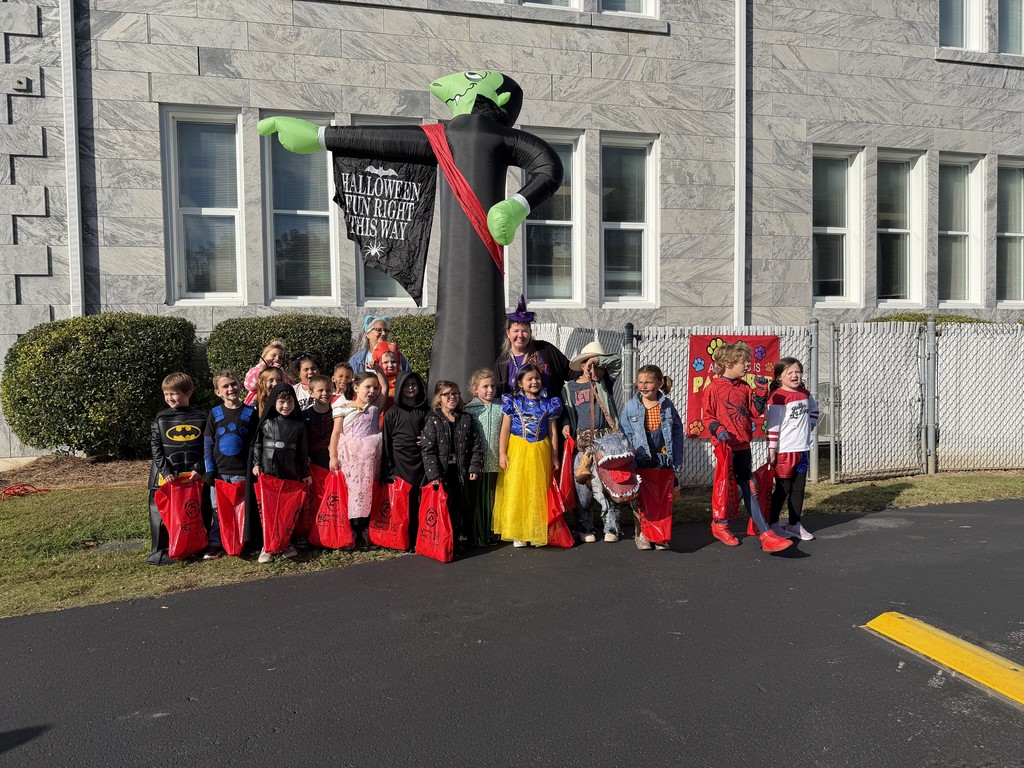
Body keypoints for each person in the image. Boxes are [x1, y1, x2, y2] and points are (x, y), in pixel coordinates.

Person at [702, 342, 792, 553]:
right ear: (727, 363)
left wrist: (761, 391)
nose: (747, 366)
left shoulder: (744, 387)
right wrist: (719, 429)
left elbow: (754, 411)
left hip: (743, 444)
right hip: (725, 447)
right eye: (743, 362)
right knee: (738, 486)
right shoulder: (713, 388)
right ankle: (756, 532)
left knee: (744, 486)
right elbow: (707, 417)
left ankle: (721, 523)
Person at [492, 364, 562, 548]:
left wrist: (555, 456)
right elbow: (505, 428)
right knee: (517, 489)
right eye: (529, 379)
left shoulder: (549, 404)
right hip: (517, 449)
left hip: (540, 450)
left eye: (537, 378)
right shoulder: (513, 401)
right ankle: (518, 531)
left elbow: (553, 432)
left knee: (537, 490)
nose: (534, 381)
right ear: (520, 382)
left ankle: (534, 529)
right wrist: (502, 453)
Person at [560, 341, 621, 543]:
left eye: (600, 365)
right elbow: (566, 411)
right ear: (583, 365)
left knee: (609, 484)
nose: (596, 369)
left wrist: (598, 360)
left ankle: (611, 527)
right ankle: (585, 527)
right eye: (591, 364)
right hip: (583, 441)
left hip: (607, 440)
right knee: (583, 485)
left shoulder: (605, 383)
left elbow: (618, 362)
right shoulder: (570, 388)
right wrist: (566, 423)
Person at [620, 364, 684, 550]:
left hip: (662, 458)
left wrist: (676, 460)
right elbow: (625, 433)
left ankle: (660, 534)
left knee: (662, 498)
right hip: (640, 458)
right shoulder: (631, 406)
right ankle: (643, 533)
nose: (644, 386)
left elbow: (677, 432)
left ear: (659, 383)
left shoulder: (667, 405)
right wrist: (628, 460)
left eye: (648, 382)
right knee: (641, 498)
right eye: (640, 382)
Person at [147, 372, 207, 566]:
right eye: (166, 394)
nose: (169, 398)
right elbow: (156, 447)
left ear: (188, 392)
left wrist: (200, 468)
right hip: (165, 476)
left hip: (193, 476)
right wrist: (165, 471)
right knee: (161, 514)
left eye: (174, 393)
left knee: (197, 510)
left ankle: (197, 545)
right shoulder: (160, 417)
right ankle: (160, 550)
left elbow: (207, 446)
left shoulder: (201, 417)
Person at [420, 381, 484, 554]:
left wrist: (474, 467)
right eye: (447, 394)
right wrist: (433, 474)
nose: (452, 397)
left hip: (461, 470)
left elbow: (476, 445)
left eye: (455, 393)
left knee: (460, 505)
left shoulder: (465, 419)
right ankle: (442, 540)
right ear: (439, 398)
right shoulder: (433, 420)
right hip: (442, 471)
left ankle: (457, 539)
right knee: (444, 506)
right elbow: (427, 449)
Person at [252, 383, 311, 563]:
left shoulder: (299, 426)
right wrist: (256, 463)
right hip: (269, 468)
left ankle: (286, 542)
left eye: (290, 402)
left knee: (287, 508)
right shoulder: (266, 422)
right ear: (274, 402)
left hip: (290, 470)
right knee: (269, 509)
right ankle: (267, 546)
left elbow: (303, 451)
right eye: (281, 402)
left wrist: (304, 472)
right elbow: (257, 444)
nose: (286, 406)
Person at [203, 370, 258, 560]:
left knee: (240, 509)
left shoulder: (251, 413)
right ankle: (216, 543)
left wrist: (253, 467)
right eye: (225, 386)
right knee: (218, 510)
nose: (230, 389)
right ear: (218, 392)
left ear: (240, 386)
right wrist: (210, 469)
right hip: (219, 473)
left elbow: (255, 444)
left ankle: (242, 542)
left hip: (241, 472)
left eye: (233, 384)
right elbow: (208, 443)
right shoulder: (214, 414)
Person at [766, 357, 819, 541]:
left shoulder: (804, 393)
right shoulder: (778, 396)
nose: (795, 376)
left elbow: (814, 410)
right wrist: (772, 449)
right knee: (783, 489)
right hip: (785, 451)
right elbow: (773, 425)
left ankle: (794, 524)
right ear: (780, 376)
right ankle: (771, 525)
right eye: (790, 373)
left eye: (798, 372)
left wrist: (810, 425)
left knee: (799, 489)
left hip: (802, 449)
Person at [330, 371, 385, 547]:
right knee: (352, 491)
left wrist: (379, 369)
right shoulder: (344, 408)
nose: (372, 391)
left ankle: (365, 528)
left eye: (374, 387)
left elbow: (385, 387)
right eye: (367, 387)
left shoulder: (375, 408)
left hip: (369, 457)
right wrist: (333, 456)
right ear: (355, 388)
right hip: (349, 457)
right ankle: (352, 530)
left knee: (368, 489)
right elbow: (336, 433)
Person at [380, 370, 430, 546]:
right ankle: (403, 539)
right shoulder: (392, 412)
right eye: (407, 385)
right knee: (404, 504)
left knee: (419, 501)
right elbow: (386, 441)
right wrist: (388, 469)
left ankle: (419, 537)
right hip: (401, 463)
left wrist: (426, 439)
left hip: (422, 463)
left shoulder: (426, 411)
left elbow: (433, 434)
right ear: (400, 387)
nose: (410, 388)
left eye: (414, 385)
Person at [494, 295, 571, 397]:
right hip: (517, 412)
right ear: (508, 333)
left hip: (551, 411)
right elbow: (497, 395)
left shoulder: (546, 350)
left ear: (530, 332)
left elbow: (571, 372)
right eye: (516, 331)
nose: (520, 335)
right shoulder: (502, 363)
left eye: (524, 331)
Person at [464, 369, 502, 548]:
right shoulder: (469, 410)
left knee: (494, 498)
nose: (489, 390)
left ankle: (494, 533)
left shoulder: (502, 407)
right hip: (478, 464)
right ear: (475, 389)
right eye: (485, 386)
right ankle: (479, 536)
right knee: (479, 501)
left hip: (497, 461)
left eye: (492, 386)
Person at [243, 339, 294, 405]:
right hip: (255, 404)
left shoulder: (285, 374)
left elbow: (289, 388)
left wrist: (281, 373)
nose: (277, 359)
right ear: (264, 356)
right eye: (274, 355)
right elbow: (250, 386)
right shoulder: (255, 370)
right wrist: (262, 365)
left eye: (280, 358)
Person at [304, 374, 335, 472]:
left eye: (328, 390)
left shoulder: (336, 415)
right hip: (310, 462)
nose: (325, 393)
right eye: (320, 390)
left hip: (331, 462)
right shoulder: (304, 415)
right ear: (311, 393)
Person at [371, 340, 402, 424]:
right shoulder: (375, 380)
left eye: (393, 362)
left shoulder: (402, 379)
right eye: (385, 362)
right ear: (379, 363)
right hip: (381, 418)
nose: (390, 365)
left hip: (399, 418)